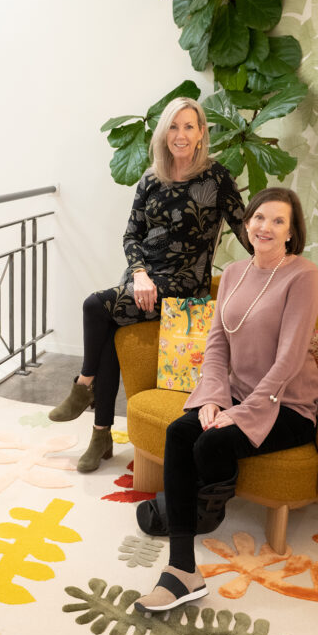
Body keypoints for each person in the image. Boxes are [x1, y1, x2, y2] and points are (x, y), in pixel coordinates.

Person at [134, 187, 318, 613]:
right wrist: (215, 398)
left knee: (212, 442)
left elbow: (291, 359)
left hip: (288, 405)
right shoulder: (236, 272)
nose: (265, 227)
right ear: (246, 223)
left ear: (292, 233)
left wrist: (241, 413)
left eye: (278, 221)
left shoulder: (302, 275)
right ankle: (182, 569)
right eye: (259, 217)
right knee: (182, 430)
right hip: (238, 393)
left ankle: (203, 507)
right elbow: (217, 343)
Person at [48, 97, 245, 472]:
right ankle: (101, 433)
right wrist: (139, 273)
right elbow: (131, 235)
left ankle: (85, 384)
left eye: (189, 126)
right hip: (143, 281)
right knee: (105, 329)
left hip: (183, 287)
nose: (181, 134)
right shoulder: (152, 178)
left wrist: (283, 258)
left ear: (202, 133)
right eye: (173, 126)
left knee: (94, 306)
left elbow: (245, 227)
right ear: (163, 133)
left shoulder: (217, 178)